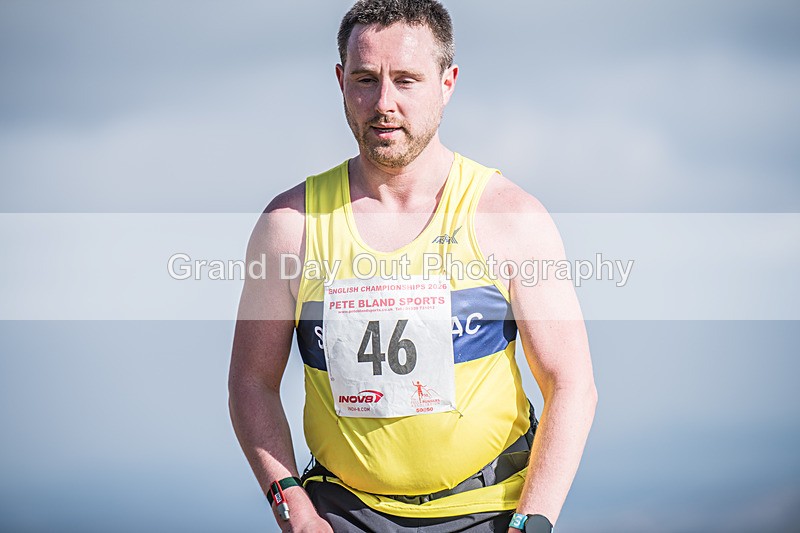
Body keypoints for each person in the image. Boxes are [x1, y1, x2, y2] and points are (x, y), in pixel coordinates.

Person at [228, 0, 597, 531]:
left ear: (447, 83)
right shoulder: (291, 225)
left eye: (406, 80)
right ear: (340, 81)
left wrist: (533, 521)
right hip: (340, 513)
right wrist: (293, 508)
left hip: (488, 512)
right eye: (365, 79)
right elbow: (250, 382)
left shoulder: (510, 218)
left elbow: (572, 383)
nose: (384, 103)